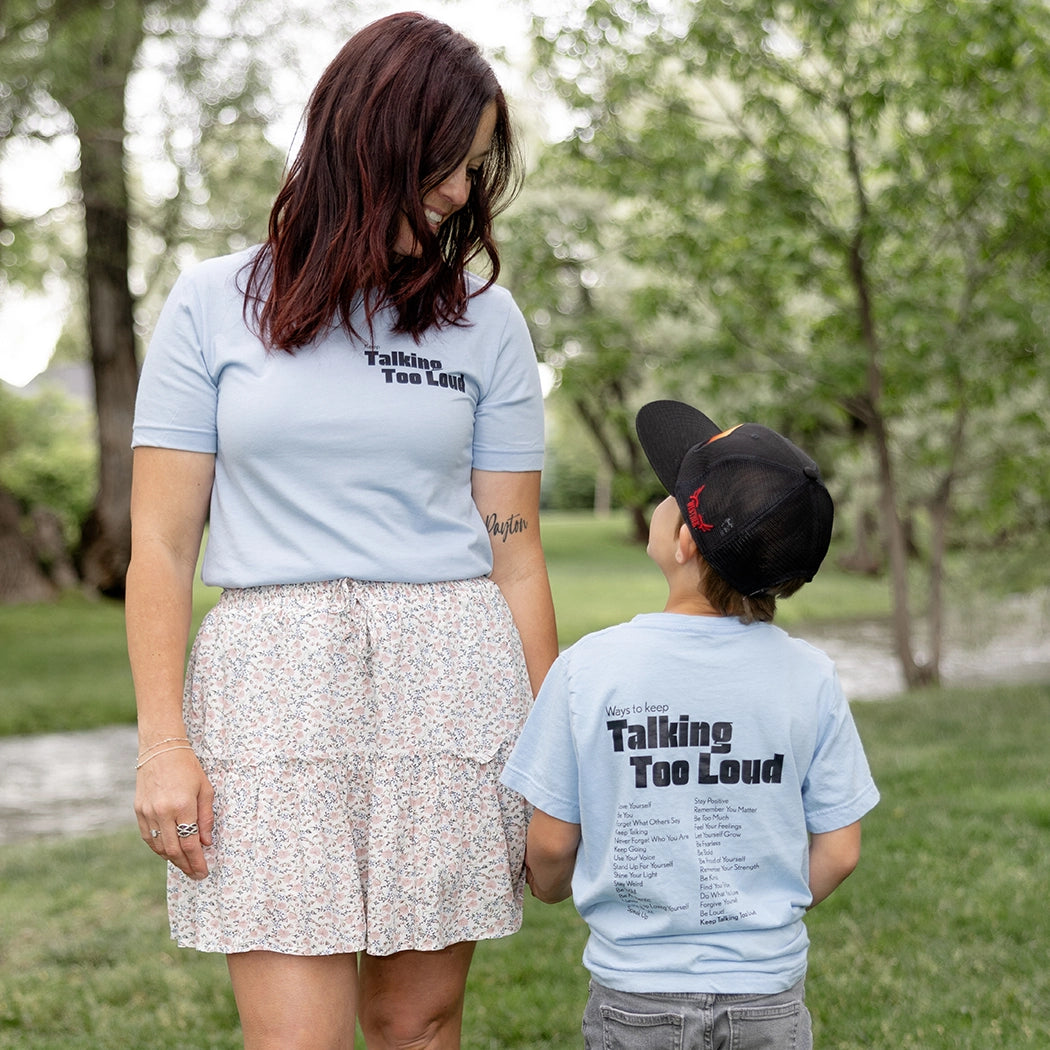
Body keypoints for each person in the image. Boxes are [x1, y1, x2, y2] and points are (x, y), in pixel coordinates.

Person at [126, 13, 558, 1050]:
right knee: (295, 1038)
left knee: (417, 1022)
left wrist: (557, 754)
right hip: (270, 683)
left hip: (451, 672)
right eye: (445, 165)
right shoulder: (210, 305)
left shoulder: (486, 324)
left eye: (475, 170)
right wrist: (162, 745)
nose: (461, 193)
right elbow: (162, 548)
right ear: (369, 142)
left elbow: (516, 548)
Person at [501, 400, 880, 1050]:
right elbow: (840, 851)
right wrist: (754, 912)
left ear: (683, 539)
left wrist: (551, 888)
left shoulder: (590, 668)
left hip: (636, 998)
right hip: (769, 998)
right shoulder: (810, 675)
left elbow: (553, 847)